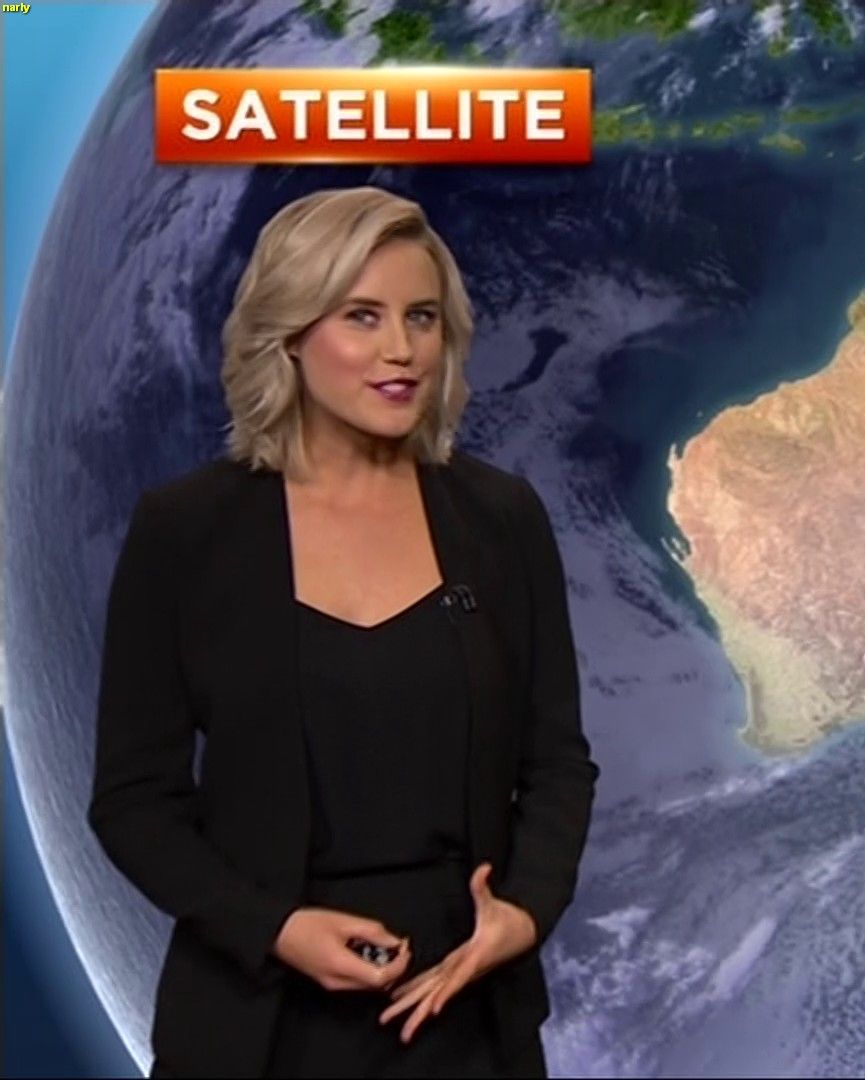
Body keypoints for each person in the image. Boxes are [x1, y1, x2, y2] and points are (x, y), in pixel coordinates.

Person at [87, 186, 599, 1078]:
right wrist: (274, 928)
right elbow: (134, 801)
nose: (402, 349)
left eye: (421, 317)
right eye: (363, 317)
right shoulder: (186, 531)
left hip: (465, 1017)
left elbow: (555, 760)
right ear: (289, 334)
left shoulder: (501, 519)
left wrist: (524, 912)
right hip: (257, 1033)